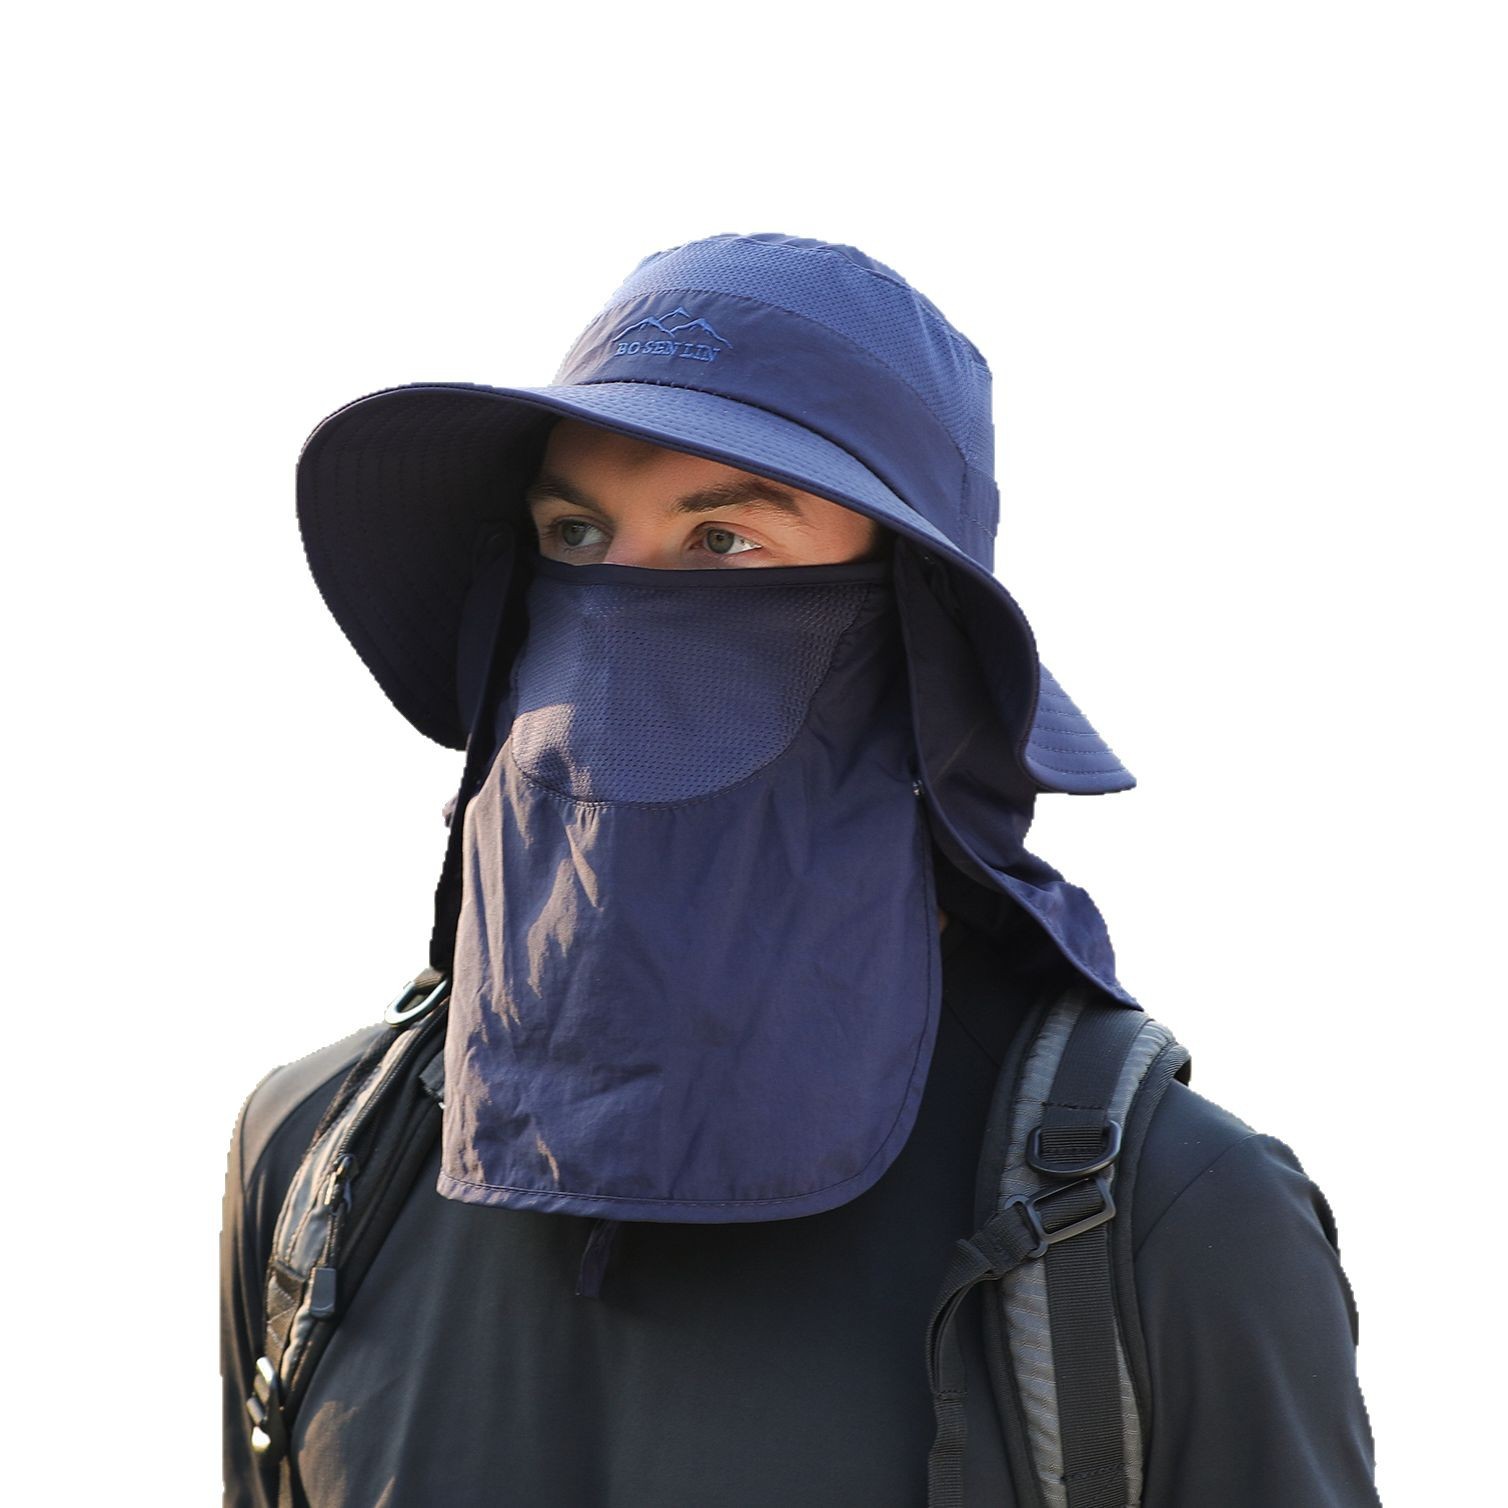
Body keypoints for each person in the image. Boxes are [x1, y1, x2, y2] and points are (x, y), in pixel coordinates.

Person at [221, 232, 1381, 1506]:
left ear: (913, 629)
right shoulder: (316, 1164)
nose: (613, 617)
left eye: (723, 540)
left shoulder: (1167, 1219)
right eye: (575, 531)